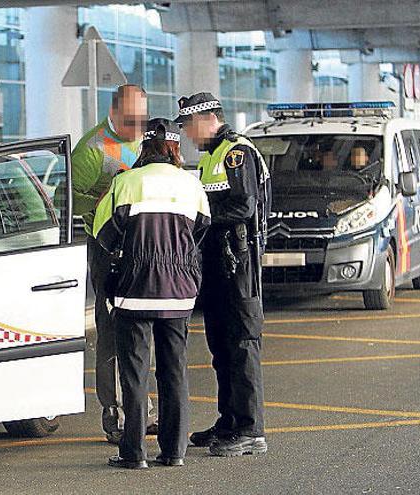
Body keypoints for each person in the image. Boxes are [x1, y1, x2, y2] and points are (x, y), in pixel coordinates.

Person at [94, 118, 211, 469]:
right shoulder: (192, 185)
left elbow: (103, 235)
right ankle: (174, 451)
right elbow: (202, 233)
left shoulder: (125, 183)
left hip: (135, 291)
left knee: (134, 373)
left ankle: (134, 453)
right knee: (174, 371)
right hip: (179, 292)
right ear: (175, 149)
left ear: (144, 148)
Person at [176, 93, 271, 457]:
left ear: (206, 119)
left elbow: (244, 205)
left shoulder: (236, 152)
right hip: (219, 264)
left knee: (242, 344)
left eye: (188, 125)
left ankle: (250, 429)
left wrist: (198, 211)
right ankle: (229, 420)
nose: (186, 133)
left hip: (239, 263)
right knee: (222, 347)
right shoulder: (212, 157)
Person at [71, 84, 156, 443]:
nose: (138, 127)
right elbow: (71, 202)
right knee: (111, 331)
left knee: (142, 328)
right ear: (113, 111)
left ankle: (142, 408)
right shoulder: (91, 151)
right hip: (108, 247)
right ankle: (113, 410)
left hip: (146, 245)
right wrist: (106, 199)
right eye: (131, 120)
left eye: (143, 119)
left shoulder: (147, 140)